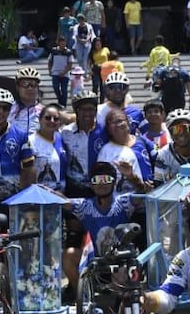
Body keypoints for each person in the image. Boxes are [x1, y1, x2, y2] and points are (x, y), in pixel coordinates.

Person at [61, 161, 138, 291]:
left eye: (107, 179)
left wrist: (132, 177)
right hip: (94, 261)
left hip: (120, 260)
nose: (102, 183)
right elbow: (62, 201)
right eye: (96, 180)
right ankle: (84, 296)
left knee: (121, 279)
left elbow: (147, 193)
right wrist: (42, 191)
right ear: (91, 184)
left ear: (114, 182)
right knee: (69, 255)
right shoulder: (85, 206)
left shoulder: (124, 202)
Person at [97, 108, 154, 193]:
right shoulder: (105, 152)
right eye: (113, 122)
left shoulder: (142, 141)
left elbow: (159, 160)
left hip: (151, 193)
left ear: (128, 123)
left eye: (120, 121)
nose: (118, 125)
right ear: (108, 129)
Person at [61, 91, 105, 196]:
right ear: (76, 111)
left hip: (99, 185)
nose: (87, 113)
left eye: (90, 109)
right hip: (74, 186)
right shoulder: (66, 132)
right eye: (83, 110)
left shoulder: (104, 131)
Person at [30, 102, 67, 193]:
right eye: (47, 118)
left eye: (56, 119)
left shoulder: (62, 138)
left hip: (61, 196)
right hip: (40, 196)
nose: (52, 121)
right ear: (40, 119)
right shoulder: (30, 141)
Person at [9, 65, 44, 137]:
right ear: (17, 87)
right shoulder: (8, 109)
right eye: (25, 84)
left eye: (33, 85)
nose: (30, 88)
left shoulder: (45, 111)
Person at [47, 34, 74, 107]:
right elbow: (50, 61)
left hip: (64, 74)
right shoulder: (54, 51)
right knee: (56, 87)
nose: (63, 44)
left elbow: (70, 64)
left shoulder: (68, 52)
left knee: (64, 90)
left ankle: (63, 105)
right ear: (58, 43)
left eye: (64, 43)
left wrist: (64, 72)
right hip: (55, 72)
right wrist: (50, 70)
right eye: (61, 43)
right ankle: (60, 100)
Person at [89, 35, 110, 100]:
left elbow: (110, 59)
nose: (98, 45)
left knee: (103, 87)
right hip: (96, 69)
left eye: (99, 44)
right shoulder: (92, 52)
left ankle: (102, 101)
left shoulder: (105, 49)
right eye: (96, 44)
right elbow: (90, 62)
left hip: (104, 69)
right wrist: (90, 70)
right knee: (95, 85)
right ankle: (94, 100)